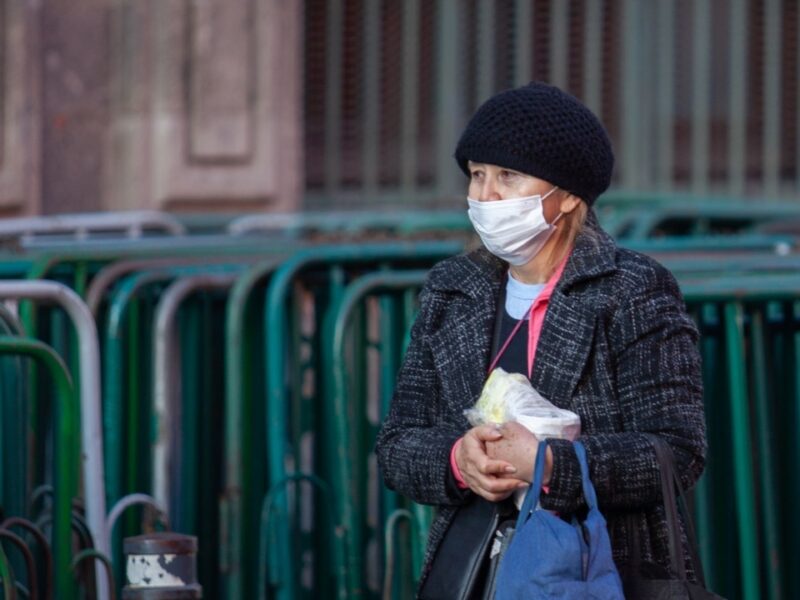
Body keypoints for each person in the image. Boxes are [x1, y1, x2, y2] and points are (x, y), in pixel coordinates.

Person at [375, 82, 706, 596]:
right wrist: (459, 461)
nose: (485, 196)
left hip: (601, 570)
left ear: (569, 194)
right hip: (475, 570)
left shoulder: (632, 289)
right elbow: (397, 443)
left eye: (508, 176)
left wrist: (553, 464)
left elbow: (678, 451)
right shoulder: (452, 289)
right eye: (477, 175)